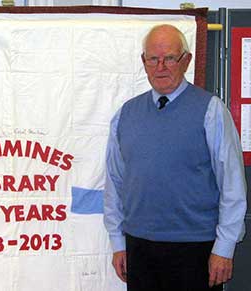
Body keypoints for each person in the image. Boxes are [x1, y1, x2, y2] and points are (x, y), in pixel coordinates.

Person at [103, 24, 247, 291]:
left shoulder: (211, 110)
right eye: (153, 59)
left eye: (169, 58)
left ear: (186, 60)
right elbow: (115, 182)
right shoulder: (126, 114)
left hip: (196, 250)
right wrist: (117, 242)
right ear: (143, 62)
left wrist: (224, 248)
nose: (161, 67)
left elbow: (232, 185)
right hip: (139, 247)